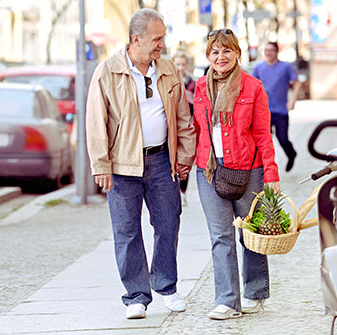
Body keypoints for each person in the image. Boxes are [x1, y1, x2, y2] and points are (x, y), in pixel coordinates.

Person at [86, 8, 196, 320]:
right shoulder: (108, 72)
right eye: (157, 39)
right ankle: (135, 295)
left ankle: (166, 286)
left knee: (168, 222)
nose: (162, 44)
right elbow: (96, 122)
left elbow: (182, 117)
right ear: (137, 39)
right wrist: (101, 164)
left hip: (162, 160)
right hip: (122, 166)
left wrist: (185, 156)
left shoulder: (168, 69)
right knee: (126, 231)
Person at [193, 28, 280, 320]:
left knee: (250, 233)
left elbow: (263, 135)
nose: (220, 57)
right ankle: (228, 302)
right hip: (209, 169)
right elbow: (196, 129)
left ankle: (255, 291)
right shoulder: (199, 88)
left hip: (248, 168)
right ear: (208, 56)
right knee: (221, 236)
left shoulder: (253, 87)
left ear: (237, 54)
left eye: (226, 51)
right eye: (215, 52)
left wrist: (271, 174)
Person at [252, 42, 302, 172]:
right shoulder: (258, 68)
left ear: (276, 52)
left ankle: (291, 154)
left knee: (283, 139)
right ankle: (264, 169)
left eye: (271, 50)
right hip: (263, 112)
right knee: (263, 142)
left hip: (280, 111)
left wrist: (292, 101)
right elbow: (252, 88)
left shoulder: (286, 67)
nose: (268, 53)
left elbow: (297, 83)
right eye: (266, 50)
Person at [172, 51, 196, 206]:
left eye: (182, 64)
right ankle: (174, 190)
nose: (180, 68)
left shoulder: (192, 83)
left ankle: (182, 191)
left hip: (188, 125)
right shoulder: (168, 80)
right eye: (177, 64)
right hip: (171, 126)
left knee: (185, 158)